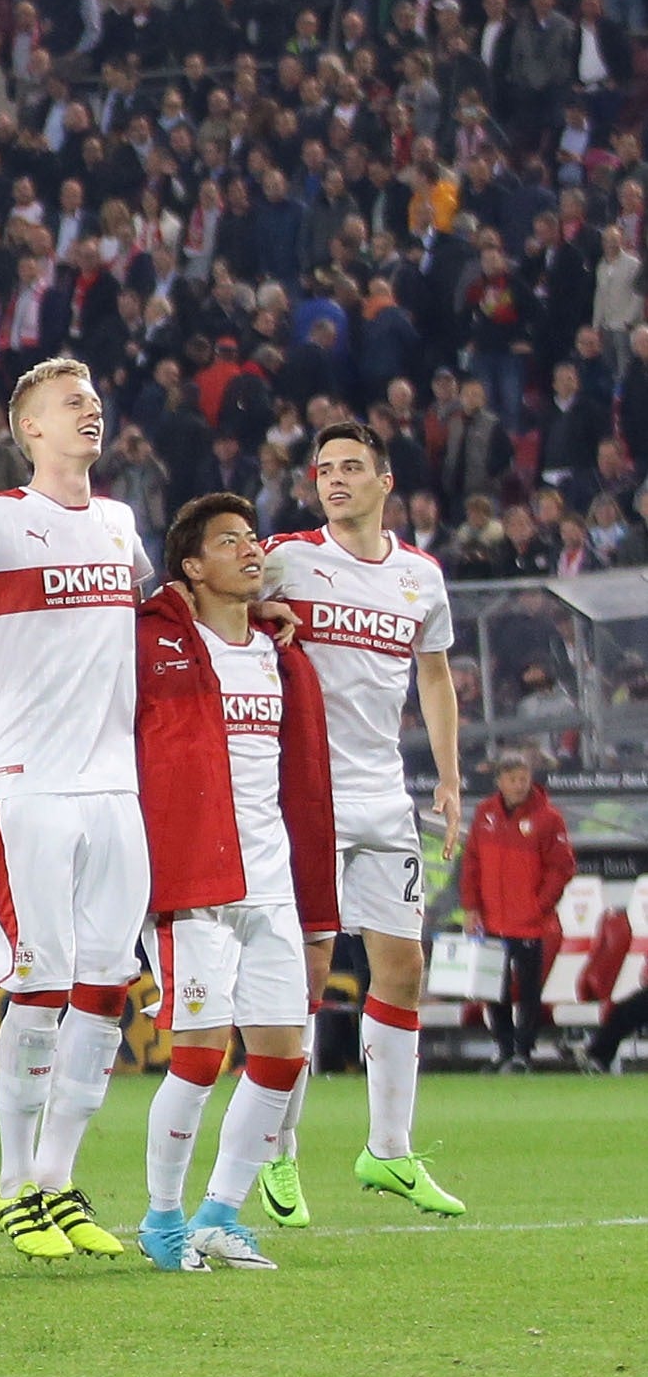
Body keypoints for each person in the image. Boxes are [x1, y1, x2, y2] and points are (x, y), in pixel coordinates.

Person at [0, 357, 150, 1263]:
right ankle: (9, 1181)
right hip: (28, 784)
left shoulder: (119, 526)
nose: (91, 412)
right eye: (72, 403)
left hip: (116, 788)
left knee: (106, 988)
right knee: (40, 981)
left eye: (96, 401)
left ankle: (59, 1179)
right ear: (27, 428)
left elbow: (161, 614)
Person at [258, 422, 471, 1219]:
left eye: (352, 467)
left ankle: (388, 1152)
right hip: (305, 796)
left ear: (386, 481)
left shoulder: (420, 576)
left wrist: (450, 778)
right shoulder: (286, 558)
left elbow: (437, 674)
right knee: (305, 977)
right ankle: (278, 1154)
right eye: (325, 470)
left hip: (385, 795)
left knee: (403, 969)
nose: (335, 479)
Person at [128, 492, 339, 1273]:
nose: (252, 550)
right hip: (194, 880)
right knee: (199, 1054)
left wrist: (318, 913)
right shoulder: (157, 646)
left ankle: (220, 1213)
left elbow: (307, 786)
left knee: (284, 1057)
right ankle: (161, 1220)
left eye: (254, 539)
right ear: (191, 566)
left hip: (273, 882)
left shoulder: (282, 654)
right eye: (229, 542)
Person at [457, 755, 575, 1072]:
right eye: (512, 779)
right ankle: (504, 1050)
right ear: (499, 781)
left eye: (523, 778)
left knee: (529, 990)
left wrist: (538, 906)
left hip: (531, 925)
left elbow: (562, 868)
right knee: (493, 988)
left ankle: (524, 1052)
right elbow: (471, 864)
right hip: (492, 920)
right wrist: (471, 908)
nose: (519, 785)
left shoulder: (548, 818)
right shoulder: (485, 814)